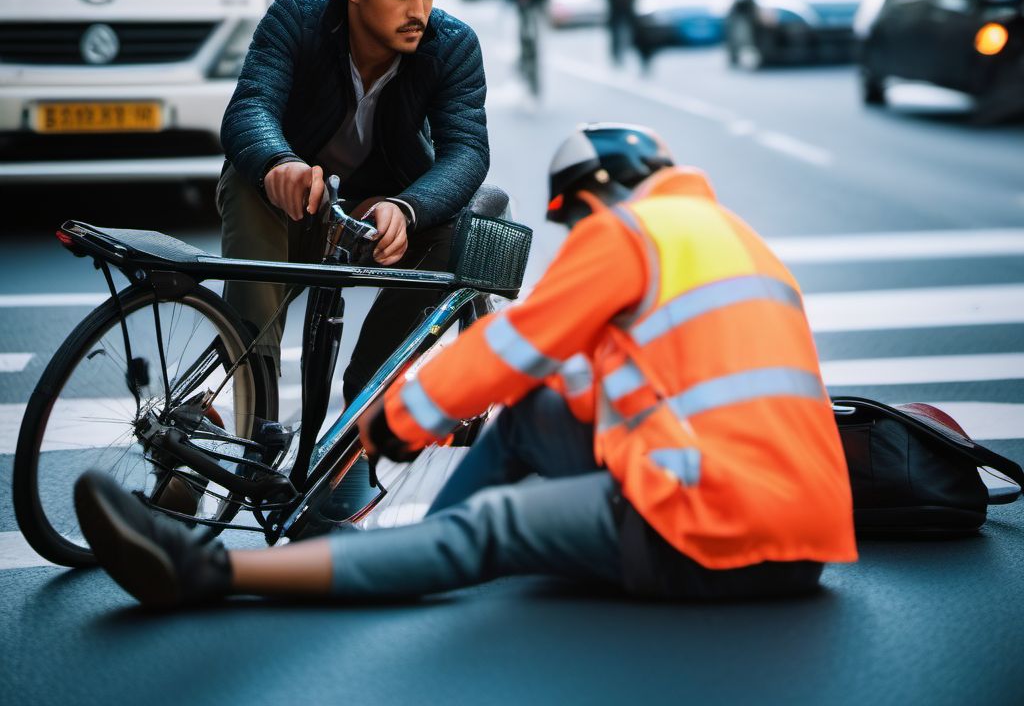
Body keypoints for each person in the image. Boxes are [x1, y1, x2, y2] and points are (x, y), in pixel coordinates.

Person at [73, 123, 858, 608]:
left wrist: (398, 421)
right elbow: (600, 383)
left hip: (708, 530)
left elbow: (514, 348)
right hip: (805, 536)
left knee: (494, 529)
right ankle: (407, 557)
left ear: (600, 193)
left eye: (574, 217)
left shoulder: (630, 232)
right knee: (533, 420)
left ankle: (209, 574)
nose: (577, 233)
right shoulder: (741, 243)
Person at [215, 0, 489, 481]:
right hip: (297, 204)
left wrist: (408, 208)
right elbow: (249, 108)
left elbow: (467, 152)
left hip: (379, 217)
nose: (420, 10)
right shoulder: (296, 16)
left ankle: (365, 402)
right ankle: (252, 412)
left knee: (470, 227)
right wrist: (277, 163)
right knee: (246, 181)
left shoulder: (453, 45)